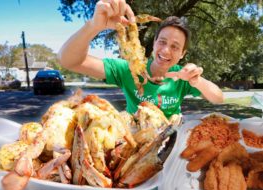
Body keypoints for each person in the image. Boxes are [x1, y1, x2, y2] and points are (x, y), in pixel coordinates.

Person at [58, 0, 223, 119]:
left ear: (182, 54)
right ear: (154, 42)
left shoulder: (182, 76)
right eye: (162, 42)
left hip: (173, 144)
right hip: (136, 145)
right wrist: (94, 25)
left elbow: (218, 98)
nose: (166, 50)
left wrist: (196, 80)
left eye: (175, 47)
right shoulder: (128, 69)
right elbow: (69, 61)